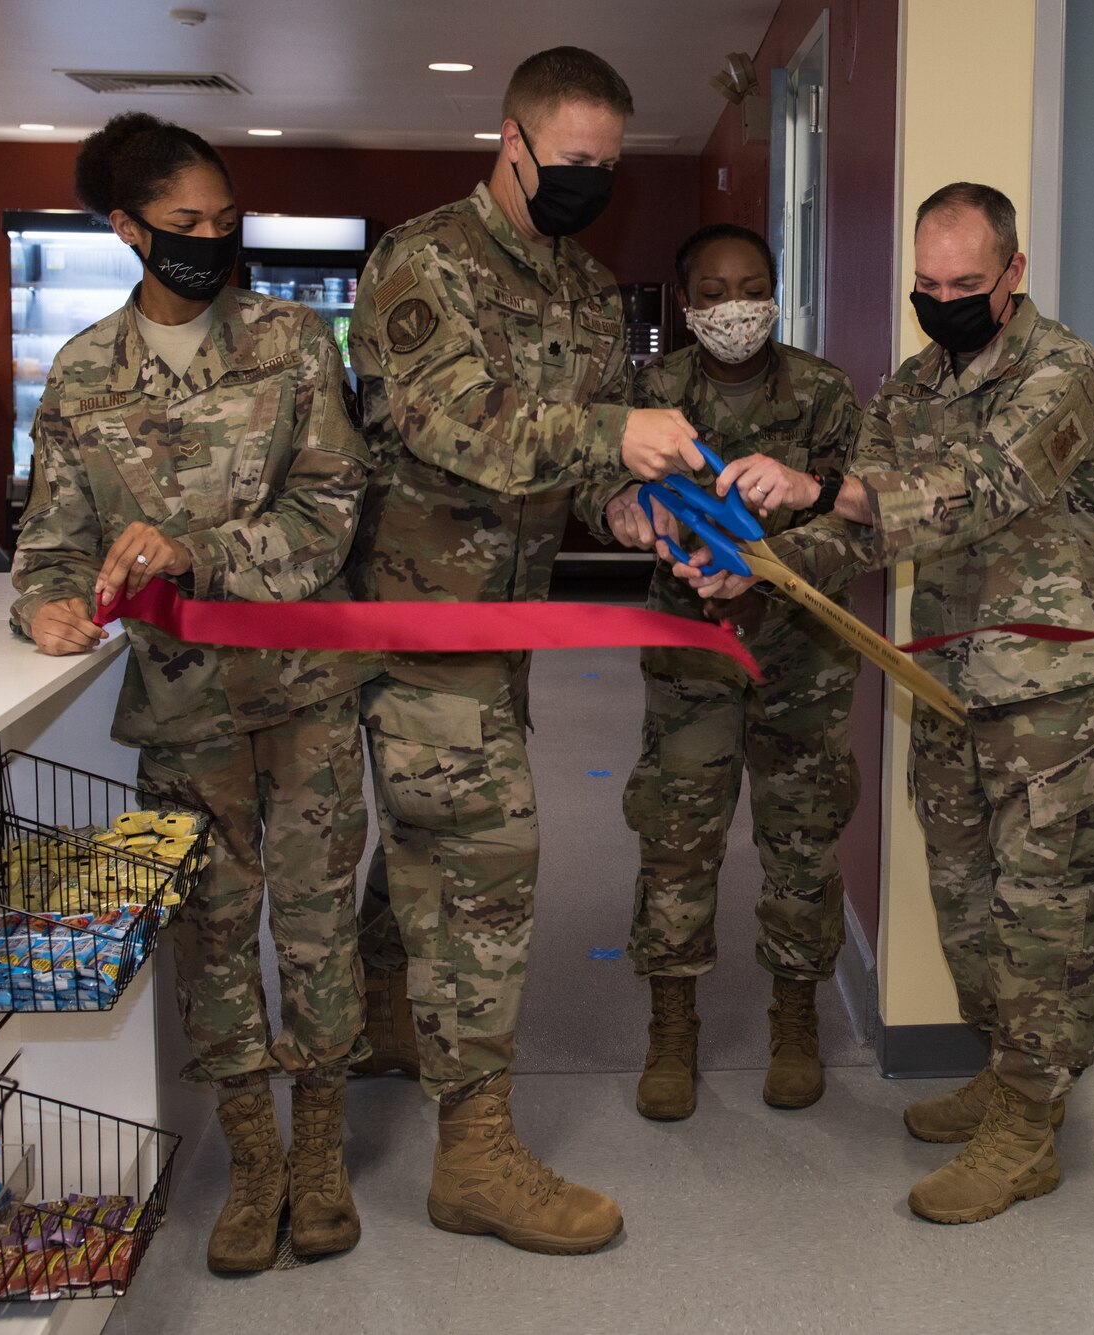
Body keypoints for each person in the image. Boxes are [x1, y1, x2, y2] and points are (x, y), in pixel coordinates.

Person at [678, 183, 1094, 1224]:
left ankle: (1030, 1123)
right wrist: (762, 567)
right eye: (925, 284)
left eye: (964, 283)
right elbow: (869, 526)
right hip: (942, 681)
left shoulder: (1068, 375)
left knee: (1042, 915)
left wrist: (816, 483)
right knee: (967, 903)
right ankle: (1003, 1072)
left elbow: (983, 487)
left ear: (1013, 274)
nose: (942, 300)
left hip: (1049, 702)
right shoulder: (913, 385)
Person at [344, 46, 703, 1255]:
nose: (590, 183)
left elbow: (588, 475)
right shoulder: (422, 261)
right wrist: (616, 429)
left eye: (608, 167)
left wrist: (631, 510)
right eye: (570, 163)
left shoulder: (590, 292)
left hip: (506, 630)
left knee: (431, 851)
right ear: (509, 142)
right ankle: (474, 1155)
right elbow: (448, 426)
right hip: (417, 621)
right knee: (487, 864)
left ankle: (387, 1010)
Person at [11, 112, 372, 1274]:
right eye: (182, 225)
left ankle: (318, 1150)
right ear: (125, 230)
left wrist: (198, 553)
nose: (210, 242)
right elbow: (50, 540)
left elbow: (329, 516)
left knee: (315, 930)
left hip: (302, 690)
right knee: (211, 940)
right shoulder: (80, 373)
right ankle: (251, 1156)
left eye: (225, 221)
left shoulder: (294, 343)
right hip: (180, 712)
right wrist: (43, 605)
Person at [584, 223, 863, 1121]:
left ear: (775, 294)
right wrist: (621, 508)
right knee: (677, 832)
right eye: (712, 291)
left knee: (802, 836)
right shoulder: (651, 394)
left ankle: (795, 1019)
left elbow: (857, 512)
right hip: (691, 648)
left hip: (803, 652)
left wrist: (779, 553)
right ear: (687, 303)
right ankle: (672, 1027)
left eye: (750, 287)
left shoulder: (823, 391)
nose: (733, 306)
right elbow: (593, 485)